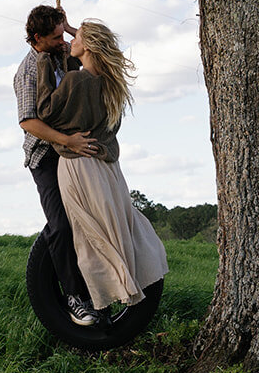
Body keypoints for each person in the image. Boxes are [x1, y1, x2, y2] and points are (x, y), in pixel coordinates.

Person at [34, 19, 168, 313]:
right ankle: (125, 285)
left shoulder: (75, 81)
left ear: (89, 46)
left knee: (88, 232)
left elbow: (45, 111)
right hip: (107, 169)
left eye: (76, 37)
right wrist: (72, 29)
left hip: (79, 168)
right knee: (112, 224)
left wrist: (45, 61)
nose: (70, 41)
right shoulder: (109, 84)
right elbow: (89, 45)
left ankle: (96, 298)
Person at [14, 4, 101, 327]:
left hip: (73, 149)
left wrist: (69, 28)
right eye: (54, 36)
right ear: (37, 37)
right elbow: (28, 122)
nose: (62, 40)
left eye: (62, 34)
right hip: (47, 155)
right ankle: (75, 297)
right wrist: (68, 142)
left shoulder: (63, 51)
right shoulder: (27, 72)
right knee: (61, 225)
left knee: (93, 215)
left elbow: (96, 49)